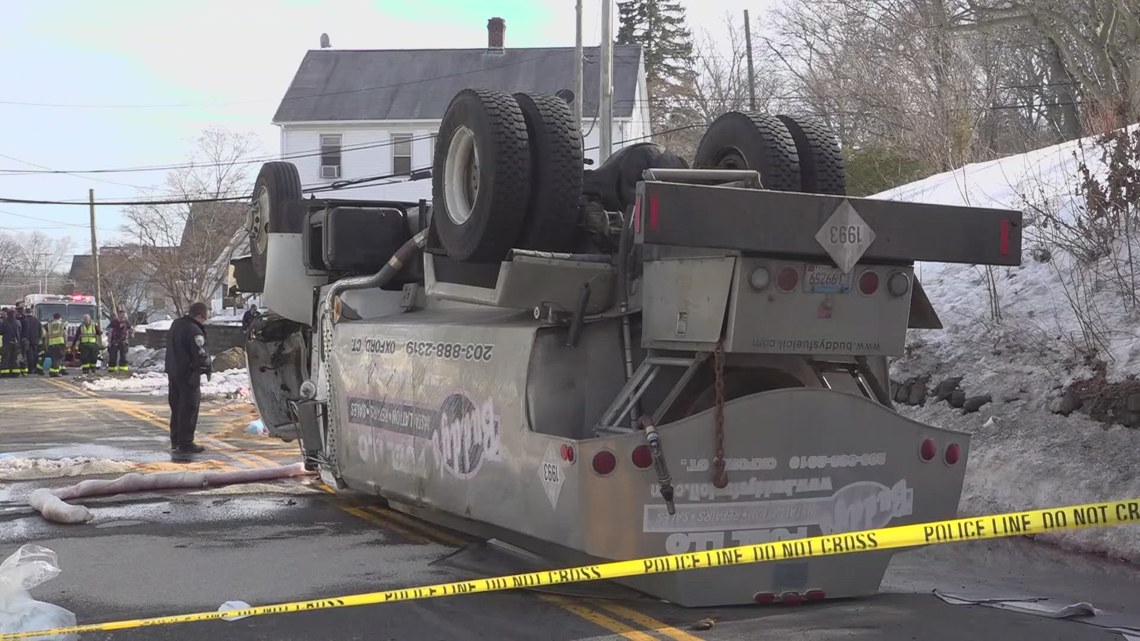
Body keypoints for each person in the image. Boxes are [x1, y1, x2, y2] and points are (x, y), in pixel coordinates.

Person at [165, 302, 212, 456]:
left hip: (174, 372)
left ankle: (176, 440)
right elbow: (200, 353)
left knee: (177, 407)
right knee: (190, 407)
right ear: (200, 316)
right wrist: (203, 369)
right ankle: (186, 442)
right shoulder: (194, 330)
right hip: (188, 374)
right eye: (205, 318)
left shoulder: (176, 325)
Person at [106, 309, 132, 373]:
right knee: (113, 356)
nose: (122, 317)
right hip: (114, 341)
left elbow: (131, 329)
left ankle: (123, 370)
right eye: (121, 315)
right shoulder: (114, 322)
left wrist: (132, 334)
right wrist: (109, 342)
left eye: (124, 315)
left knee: (123, 356)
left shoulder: (126, 322)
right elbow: (109, 331)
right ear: (118, 315)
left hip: (123, 341)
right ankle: (112, 370)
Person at [19, 306, 43, 375]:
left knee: (28, 355)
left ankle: (29, 369)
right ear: (31, 313)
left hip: (27, 339)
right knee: (35, 354)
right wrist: (39, 338)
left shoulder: (24, 320)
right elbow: (40, 330)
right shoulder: (36, 320)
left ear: (25, 313)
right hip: (35, 340)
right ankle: (35, 368)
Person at [0, 309, 21, 378]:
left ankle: (4, 373)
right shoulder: (17, 322)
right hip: (16, 342)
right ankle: (15, 372)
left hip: (7, 343)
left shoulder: (4, 323)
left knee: (5, 358)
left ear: (7, 315)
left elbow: (1, 331)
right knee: (14, 358)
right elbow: (20, 331)